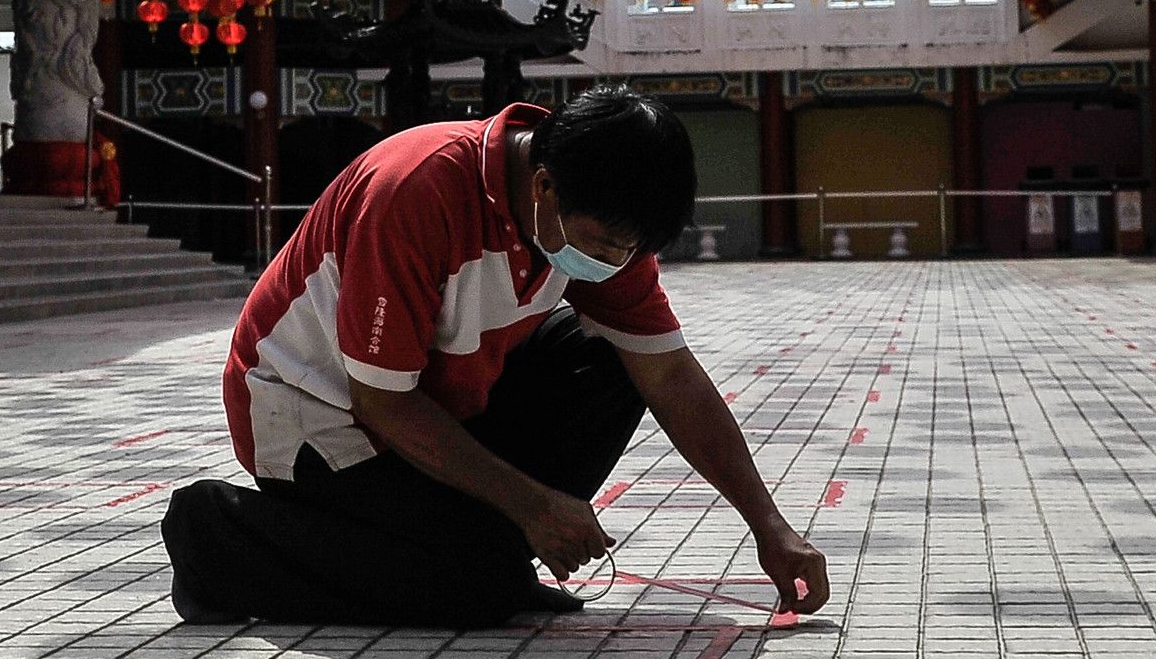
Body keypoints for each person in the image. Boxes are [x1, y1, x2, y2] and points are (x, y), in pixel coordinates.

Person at [162, 87, 830, 628]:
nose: (610, 264)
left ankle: (489, 545)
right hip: (319, 417)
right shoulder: (414, 191)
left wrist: (768, 524)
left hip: (440, 400)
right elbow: (381, 400)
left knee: (614, 364)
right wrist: (534, 506)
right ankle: (216, 533)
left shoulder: (599, 213)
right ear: (543, 188)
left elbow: (669, 372)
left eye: (627, 251)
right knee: (470, 587)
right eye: (601, 246)